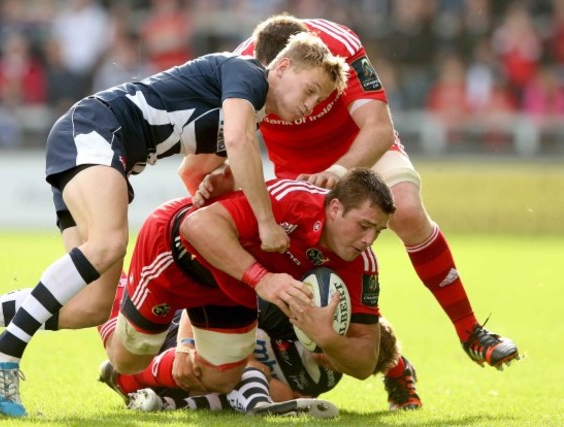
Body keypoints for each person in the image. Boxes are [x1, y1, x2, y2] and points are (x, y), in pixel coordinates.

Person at [0, 32, 348, 418]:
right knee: (109, 243)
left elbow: (196, 169)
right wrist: (266, 224)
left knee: (92, 305)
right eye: (309, 90)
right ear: (284, 67)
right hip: (98, 129)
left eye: (318, 101)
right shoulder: (248, 75)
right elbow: (236, 141)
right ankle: (6, 351)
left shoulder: (246, 112)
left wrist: (218, 181)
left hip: (99, 145)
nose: (309, 105)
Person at [184, 15, 520, 386]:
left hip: (359, 151)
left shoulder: (338, 44)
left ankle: (470, 331)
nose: (310, 104)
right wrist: (214, 187)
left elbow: (379, 127)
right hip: (295, 176)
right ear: (278, 67)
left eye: (317, 91)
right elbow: (197, 166)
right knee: (312, 278)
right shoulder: (241, 68)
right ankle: (391, 363)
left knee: (406, 211)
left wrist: (341, 170)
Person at [102, 168, 396, 405]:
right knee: (127, 356)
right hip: (178, 253)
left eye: (378, 231)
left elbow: (364, 362)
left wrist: (327, 337)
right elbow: (196, 225)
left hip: (231, 285)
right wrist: (263, 279)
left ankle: (132, 379)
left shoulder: (363, 264)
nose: (369, 240)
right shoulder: (292, 201)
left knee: (221, 379)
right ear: (334, 209)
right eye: (364, 225)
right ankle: (105, 278)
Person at [96, 281, 404, 418]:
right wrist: (186, 346)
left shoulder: (323, 379)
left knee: (238, 377)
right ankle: (127, 375)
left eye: (342, 366)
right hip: (182, 329)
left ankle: (165, 404)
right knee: (102, 289)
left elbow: (281, 393)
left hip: (212, 378)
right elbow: (205, 299)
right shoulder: (291, 307)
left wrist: (257, 379)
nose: (330, 360)